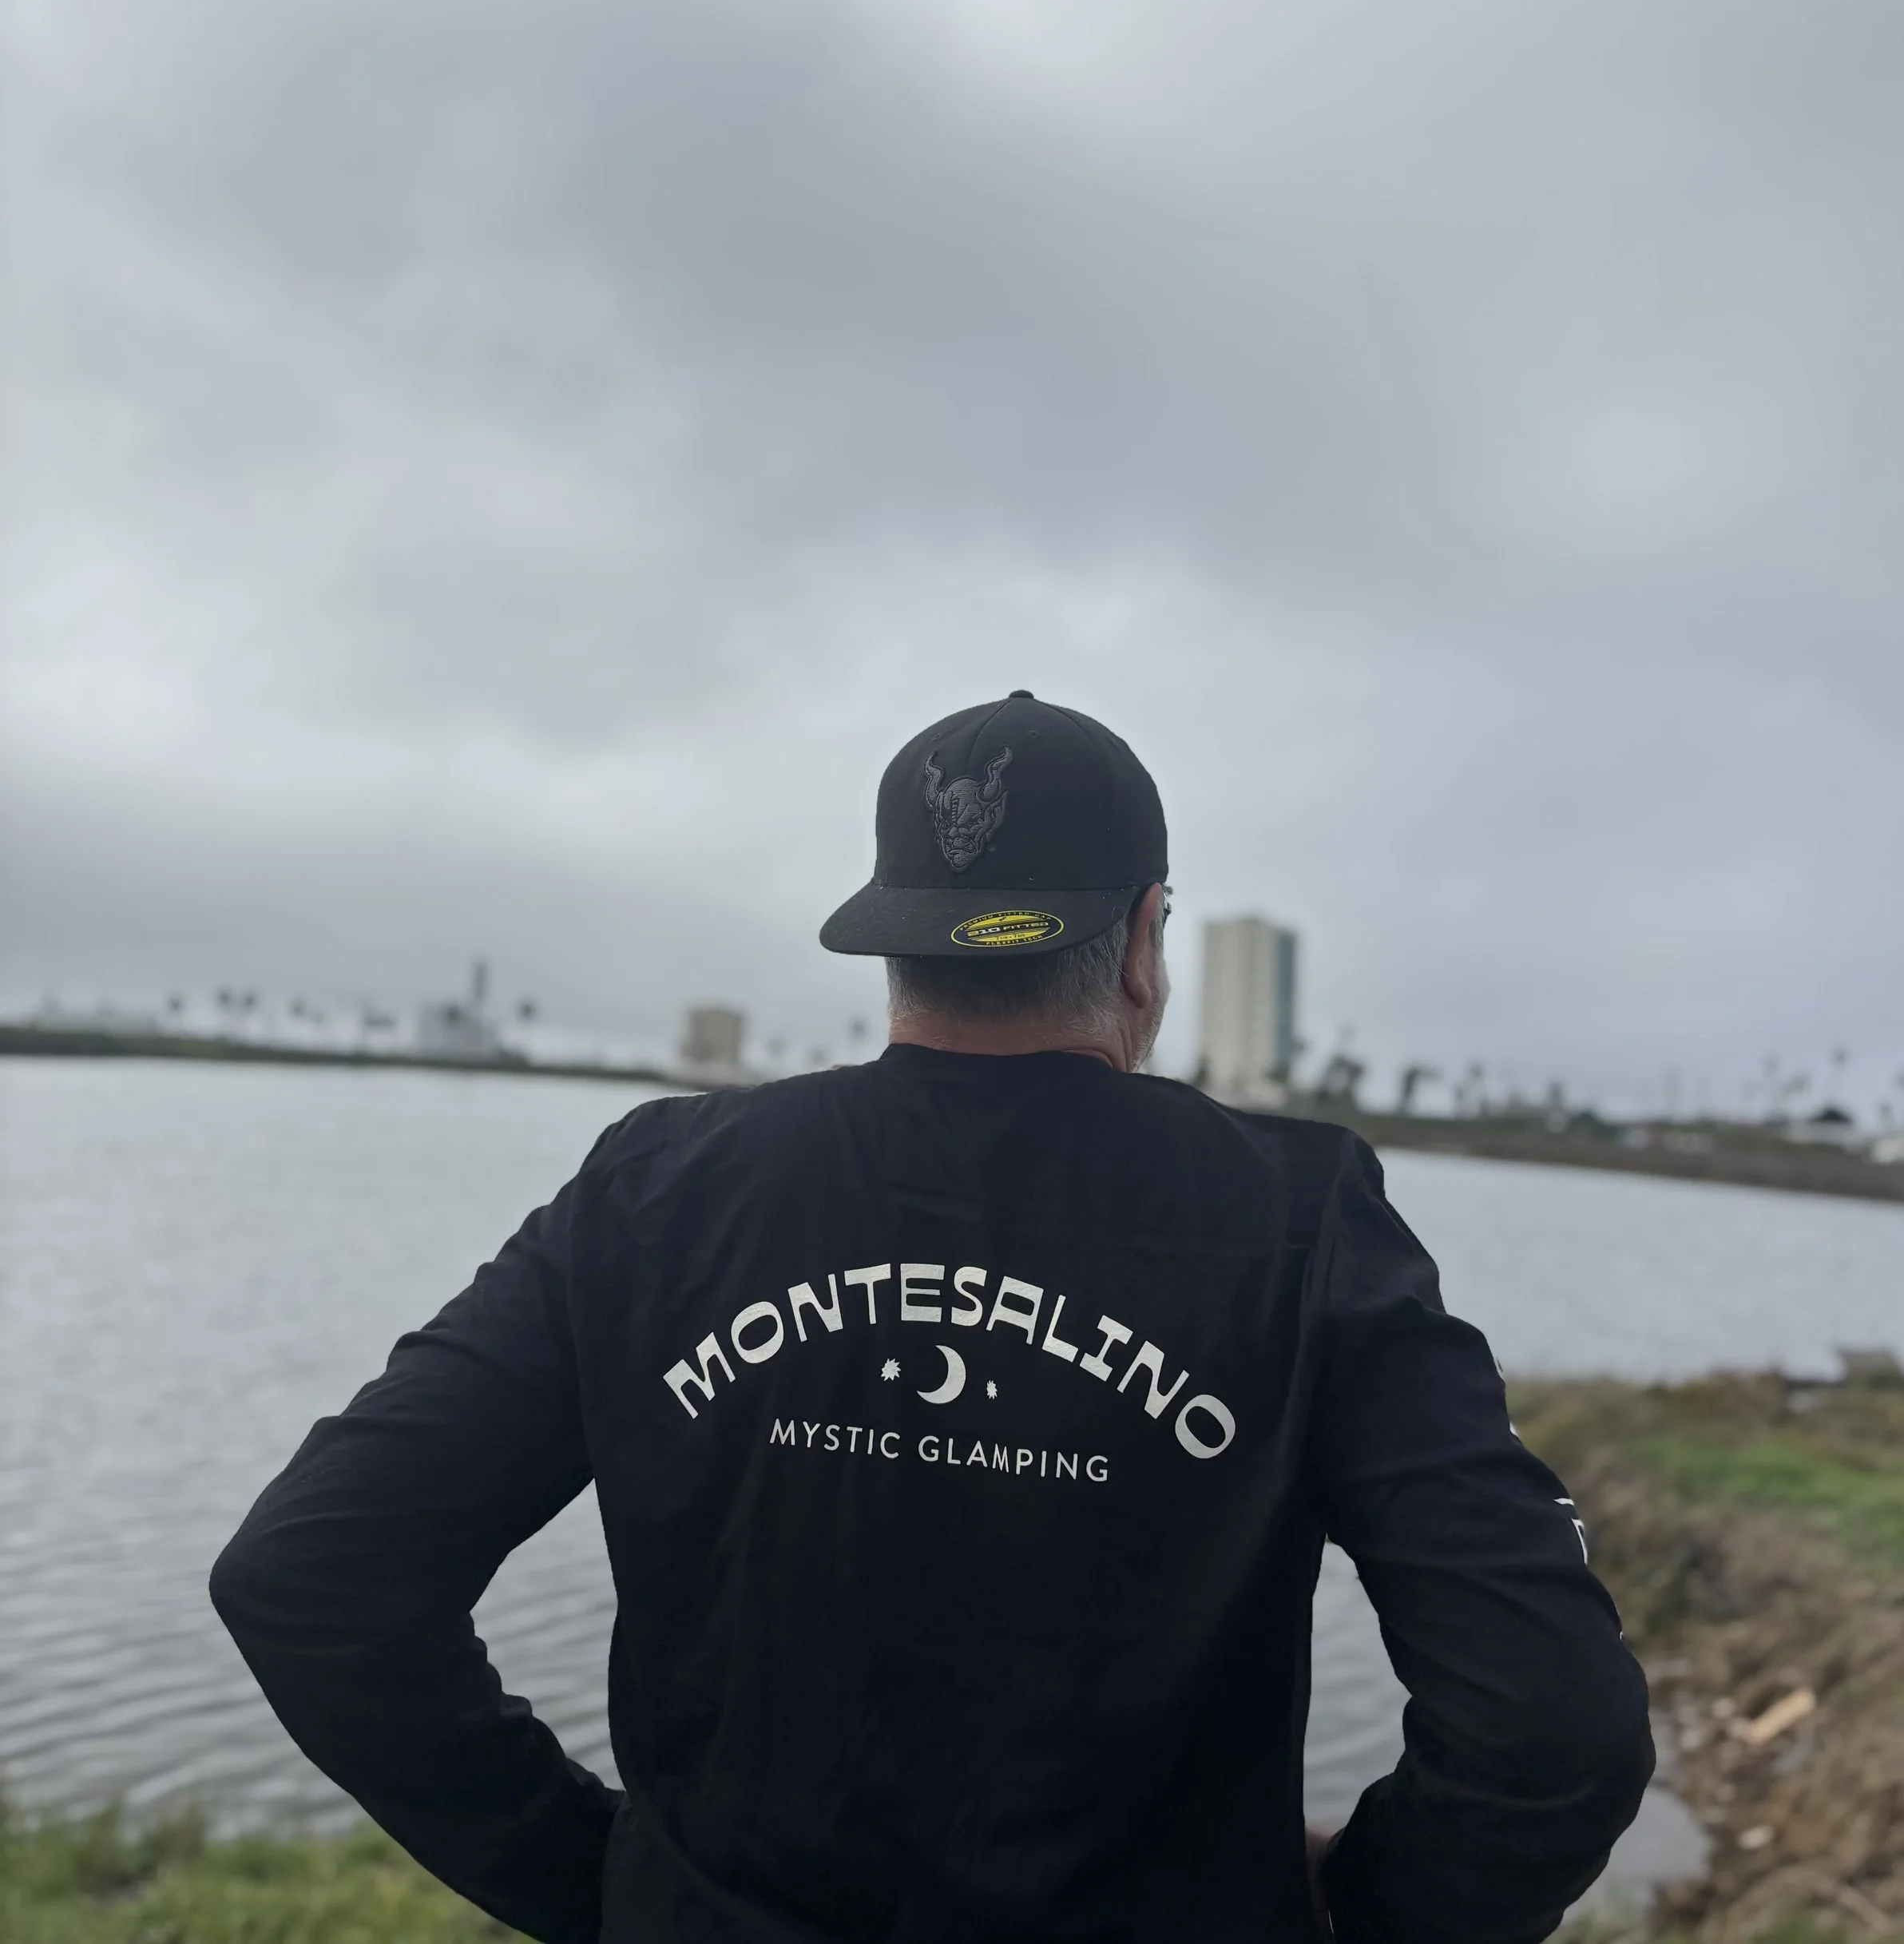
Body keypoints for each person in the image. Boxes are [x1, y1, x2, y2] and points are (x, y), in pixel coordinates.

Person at [212, 690, 1652, 1943]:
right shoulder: (1298, 1221)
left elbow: (314, 1577)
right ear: (1144, 942)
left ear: (897, 943)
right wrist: (1358, 1918)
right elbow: (1553, 1728)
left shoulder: (659, 1187)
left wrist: (609, 1891)